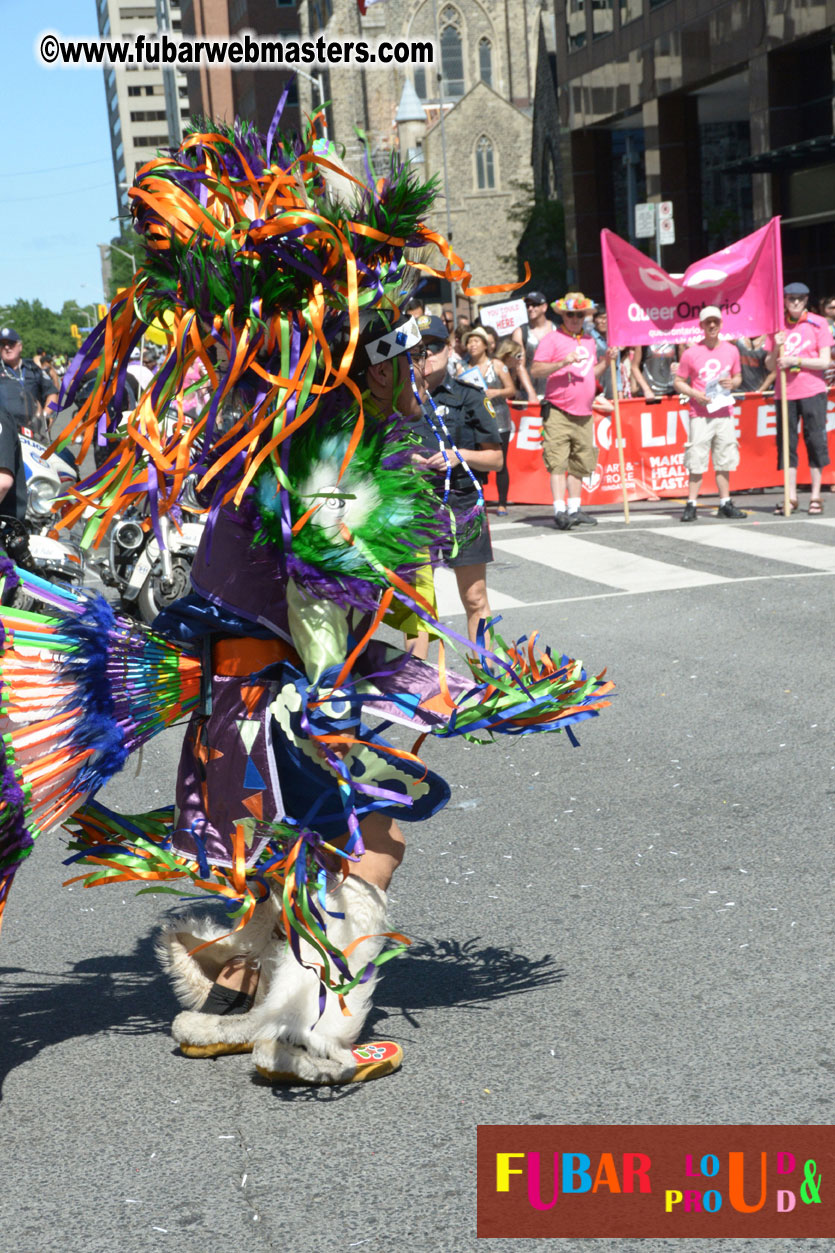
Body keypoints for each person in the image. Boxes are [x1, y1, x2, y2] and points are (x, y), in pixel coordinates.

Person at [0, 120, 612, 1087]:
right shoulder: (335, 456)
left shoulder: (260, 442)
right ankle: (315, 1031)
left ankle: (232, 1005)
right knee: (373, 837)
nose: (415, 372)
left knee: (280, 855)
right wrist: (347, 701)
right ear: (361, 364)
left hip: (234, 697)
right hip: (299, 698)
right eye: (401, 356)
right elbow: (334, 599)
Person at [411, 315, 502, 642]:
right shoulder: (399, 399)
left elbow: (496, 459)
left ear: (449, 349)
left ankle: (488, 678)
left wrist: (458, 455)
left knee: (475, 597)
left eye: (434, 346)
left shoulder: (470, 396)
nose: (426, 355)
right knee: (416, 605)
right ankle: (415, 686)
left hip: (463, 505)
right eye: (417, 349)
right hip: (415, 506)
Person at [531, 291, 616, 529]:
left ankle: (575, 509)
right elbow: (536, 370)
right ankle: (560, 509)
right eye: (570, 314)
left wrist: (606, 362)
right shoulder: (552, 339)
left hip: (584, 412)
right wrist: (562, 363)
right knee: (557, 461)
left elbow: (589, 373)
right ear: (563, 316)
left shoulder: (589, 341)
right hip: (558, 409)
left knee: (580, 461)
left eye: (579, 314)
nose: (575, 318)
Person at [765, 281, 832, 515]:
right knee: (787, 444)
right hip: (785, 393)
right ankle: (790, 496)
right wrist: (777, 348)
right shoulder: (777, 326)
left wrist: (797, 361)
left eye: (800, 299)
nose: (795, 302)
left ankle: (815, 495)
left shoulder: (818, 323)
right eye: (791, 298)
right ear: (784, 300)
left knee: (815, 441)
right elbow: (770, 364)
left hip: (812, 390)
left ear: (806, 301)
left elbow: (825, 361)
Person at [674, 307, 745, 521]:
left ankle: (725, 502)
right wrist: (695, 393)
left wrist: (733, 383)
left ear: (721, 324)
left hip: (724, 412)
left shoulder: (731, 350)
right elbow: (678, 381)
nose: (712, 326)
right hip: (700, 413)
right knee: (696, 458)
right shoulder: (691, 352)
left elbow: (739, 377)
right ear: (702, 326)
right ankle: (691, 503)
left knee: (724, 459)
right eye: (708, 322)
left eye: (715, 322)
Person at [462, 327, 514, 515]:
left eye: (476, 341)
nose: (472, 345)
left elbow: (511, 389)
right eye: (469, 342)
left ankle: (502, 502)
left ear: (485, 345)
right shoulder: (464, 366)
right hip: (475, 420)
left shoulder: (497, 365)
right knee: (476, 462)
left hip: (499, 417)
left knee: (500, 461)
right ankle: (479, 501)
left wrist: (496, 392)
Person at [0, 327, 58, 441]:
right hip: (5, 434)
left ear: (20, 346)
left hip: (34, 433)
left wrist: (45, 415)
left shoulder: (33, 369)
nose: (7, 347)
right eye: (3, 344)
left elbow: (53, 393)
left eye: (11, 343)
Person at [512, 292, 552, 405]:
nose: (530, 308)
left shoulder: (556, 329)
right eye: (527, 305)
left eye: (534, 305)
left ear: (544, 307)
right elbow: (519, 365)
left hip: (554, 392)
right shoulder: (520, 332)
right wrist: (531, 392)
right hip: (529, 393)